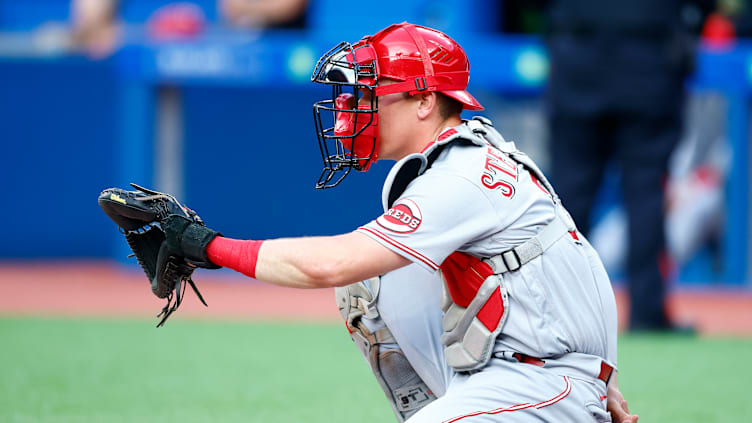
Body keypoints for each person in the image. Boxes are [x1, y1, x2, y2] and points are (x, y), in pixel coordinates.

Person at [160, 22, 637, 422]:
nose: (351, 107)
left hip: (541, 377)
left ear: (425, 101)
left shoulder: (463, 176)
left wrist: (206, 246)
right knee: (370, 281)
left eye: (369, 93)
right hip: (517, 371)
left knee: (353, 266)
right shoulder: (455, 161)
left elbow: (330, 263)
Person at [544, 0, 713, 331]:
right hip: (649, 64)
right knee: (646, 195)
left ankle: (554, 311)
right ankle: (647, 312)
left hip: (578, 59)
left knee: (568, 198)